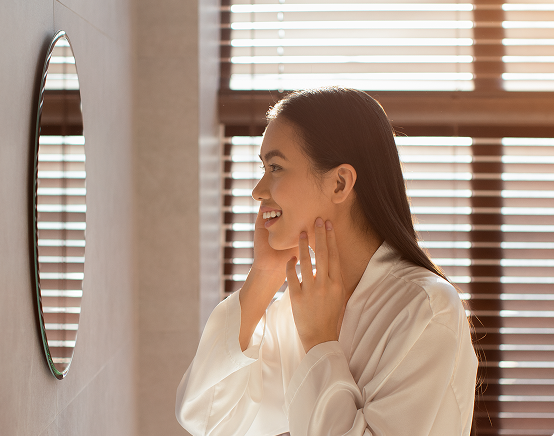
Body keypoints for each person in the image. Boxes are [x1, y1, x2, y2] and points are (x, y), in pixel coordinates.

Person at [175, 87, 478, 436]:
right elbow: (207, 419)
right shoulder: (298, 307)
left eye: (275, 167)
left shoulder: (426, 308)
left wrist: (320, 341)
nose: (258, 190)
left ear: (339, 183)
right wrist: (264, 276)